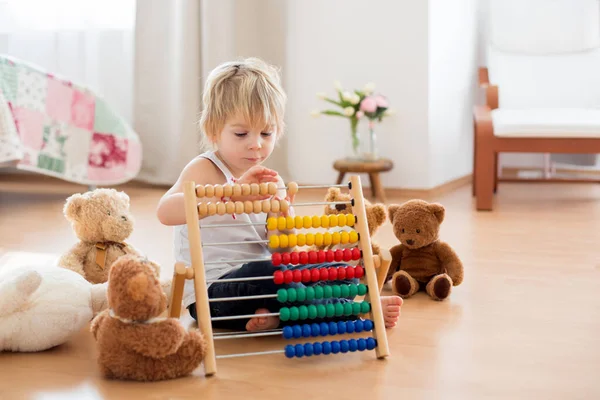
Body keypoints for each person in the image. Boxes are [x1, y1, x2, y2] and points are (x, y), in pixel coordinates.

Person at [157, 57, 402, 332]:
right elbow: (165, 212)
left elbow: (281, 251)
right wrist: (230, 196)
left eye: (266, 132)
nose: (256, 144)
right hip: (214, 295)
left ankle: (278, 313)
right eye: (241, 133)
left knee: (342, 269)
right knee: (271, 274)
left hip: (272, 288)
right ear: (214, 130)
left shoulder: (272, 184)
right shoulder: (204, 169)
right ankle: (353, 312)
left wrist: (282, 225)